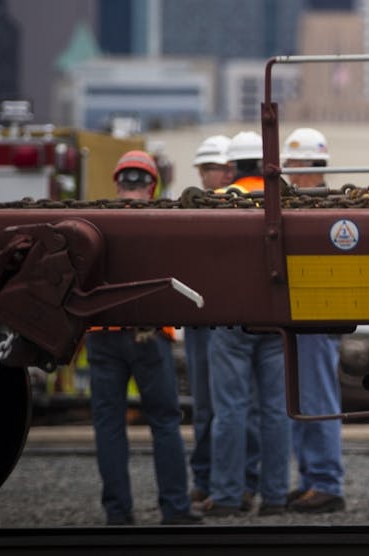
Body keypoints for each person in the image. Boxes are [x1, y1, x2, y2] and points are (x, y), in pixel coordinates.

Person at [85, 151, 201, 526]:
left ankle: (117, 513)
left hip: (102, 336)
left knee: (108, 424)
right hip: (148, 335)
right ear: (152, 185)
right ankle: (175, 509)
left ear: (118, 182)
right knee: (165, 421)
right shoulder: (161, 220)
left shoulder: (95, 221)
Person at [203, 130, 291, 518]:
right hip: (275, 318)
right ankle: (274, 496)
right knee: (275, 410)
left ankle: (226, 494)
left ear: (232, 165)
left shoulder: (218, 202)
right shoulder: (285, 200)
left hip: (230, 317)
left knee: (231, 410)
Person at [281, 127, 347, 515]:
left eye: (294, 166)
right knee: (301, 400)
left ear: (310, 165)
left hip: (317, 316)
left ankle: (325, 482)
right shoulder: (306, 202)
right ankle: (311, 480)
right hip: (300, 315)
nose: (289, 174)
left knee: (317, 399)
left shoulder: (328, 206)